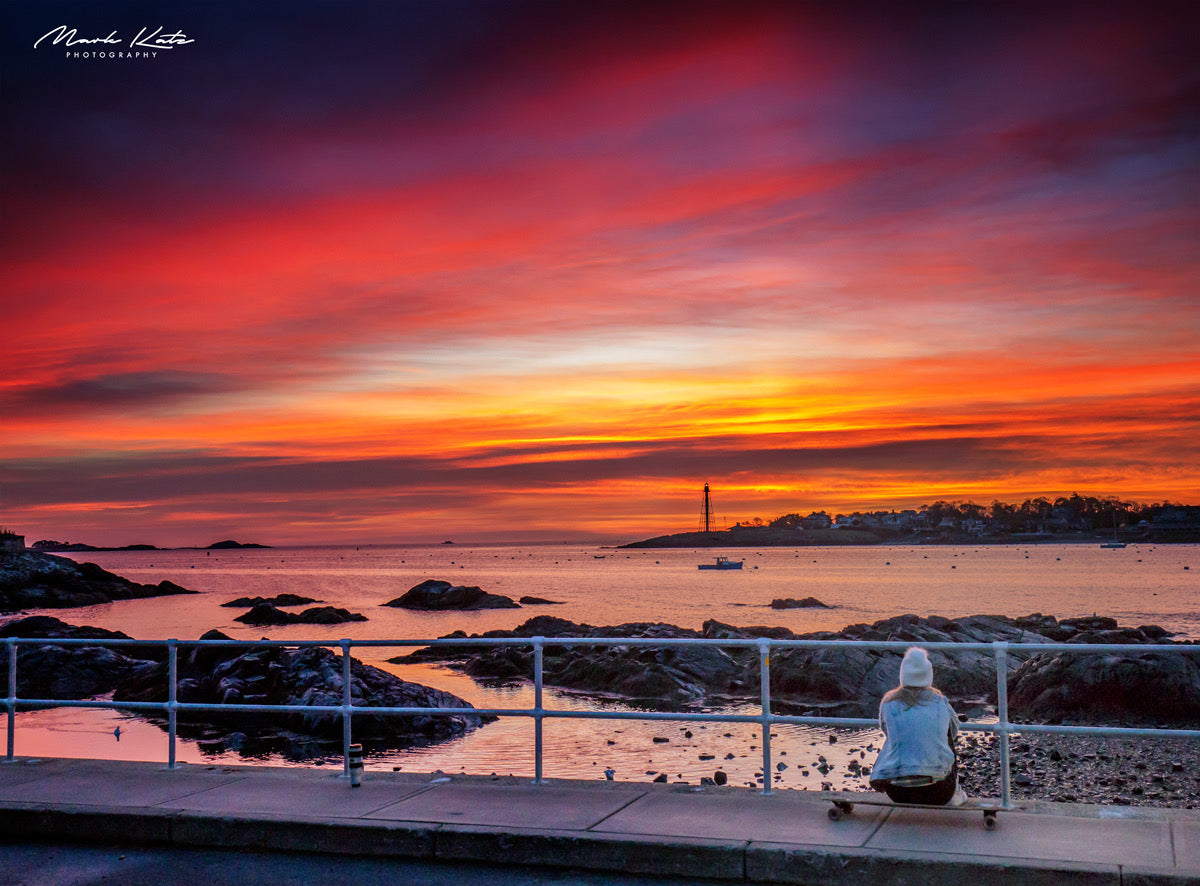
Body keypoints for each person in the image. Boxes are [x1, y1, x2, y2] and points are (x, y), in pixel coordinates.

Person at [869, 646, 966, 806]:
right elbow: (954, 731)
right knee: (947, 732)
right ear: (929, 676)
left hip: (897, 793)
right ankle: (954, 788)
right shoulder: (940, 702)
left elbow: (886, 731)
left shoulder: (888, 703)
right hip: (939, 793)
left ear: (903, 676)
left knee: (895, 735)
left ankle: (901, 772)